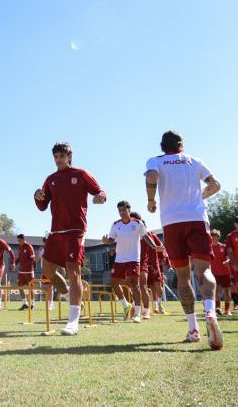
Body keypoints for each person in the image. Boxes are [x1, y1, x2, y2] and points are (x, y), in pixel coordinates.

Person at [145, 130, 223, 349]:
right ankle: (210, 311)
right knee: (204, 271)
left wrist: (151, 201)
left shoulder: (156, 160)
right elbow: (216, 184)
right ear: (182, 145)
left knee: (182, 276)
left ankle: (193, 328)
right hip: (198, 220)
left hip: (172, 223)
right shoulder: (195, 161)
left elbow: (151, 177)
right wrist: (201, 196)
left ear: (162, 146)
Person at [35, 142, 107, 335]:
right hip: (56, 231)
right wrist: (37, 196)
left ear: (69, 157)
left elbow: (100, 192)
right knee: (47, 270)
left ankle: (73, 322)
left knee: (73, 271)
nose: (58, 160)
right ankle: (69, 296)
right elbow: (42, 205)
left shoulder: (81, 174)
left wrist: (100, 197)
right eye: (56, 157)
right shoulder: (50, 179)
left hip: (76, 230)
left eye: (62, 156)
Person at [102, 203, 156, 323]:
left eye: (124, 210)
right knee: (114, 283)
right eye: (119, 210)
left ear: (129, 210)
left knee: (134, 285)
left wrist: (154, 246)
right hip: (119, 259)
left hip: (133, 259)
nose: (121, 212)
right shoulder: (116, 225)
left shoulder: (137, 223)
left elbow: (146, 236)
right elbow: (111, 239)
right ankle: (126, 306)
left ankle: (137, 314)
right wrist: (107, 241)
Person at [132, 212, 162, 320]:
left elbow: (156, 248)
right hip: (130, 262)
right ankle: (134, 308)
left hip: (144, 263)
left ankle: (148, 310)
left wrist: (156, 264)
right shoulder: (129, 232)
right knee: (133, 287)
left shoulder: (148, 235)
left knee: (145, 286)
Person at [210, 229, 232, 316]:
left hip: (225, 272)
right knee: (216, 292)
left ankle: (227, 310)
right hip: (214, 273)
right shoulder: (209, 247)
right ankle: (218, 308)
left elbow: (229, 257)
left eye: (217, 236)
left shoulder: (224, 246)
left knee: (227, 292)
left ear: (219, 237)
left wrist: (227, 261)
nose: (215, 237)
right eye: (213, 236)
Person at [15, 234, 36, 310]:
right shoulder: (19, 248)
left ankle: (33, 304)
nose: (18, 242)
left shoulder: (29, 246)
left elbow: (32, 259)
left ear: (24, 239)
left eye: (19, 240)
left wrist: (26, 266)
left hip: (29, 271)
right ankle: (25, 303)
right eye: (18, 241)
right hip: (21, 272)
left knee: (30, 288)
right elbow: (19, 258)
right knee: (20, 287)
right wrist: (15, 263)